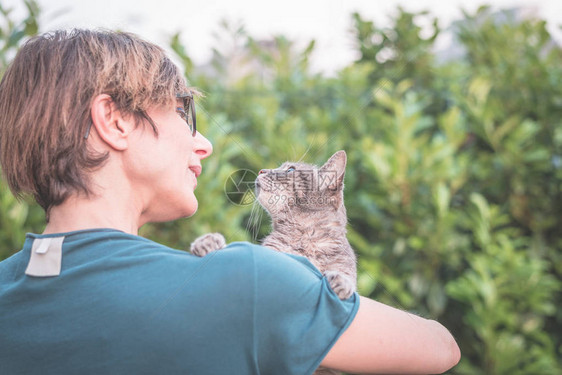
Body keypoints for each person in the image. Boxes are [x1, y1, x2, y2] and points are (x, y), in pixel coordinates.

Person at [0, 29, 460, 374]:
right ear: (114, 121)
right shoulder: (247, 282)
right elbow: (439, 348)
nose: (204, 144)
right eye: (183, 112)